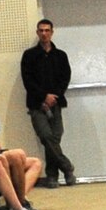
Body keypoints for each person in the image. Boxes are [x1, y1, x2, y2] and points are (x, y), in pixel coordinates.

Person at [21, 18, 76, 185]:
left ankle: (52, 176)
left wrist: (54, 96)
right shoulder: (29, 55)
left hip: (56, 104)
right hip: (37, 105)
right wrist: (44, 97)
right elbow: (28, 80)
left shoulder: (60, 55)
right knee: (46, 136)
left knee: (55, 138)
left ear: (52, 32)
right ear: (37, 33)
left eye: (47, 30)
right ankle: (67, 167)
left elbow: (65, 78)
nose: (44, 33)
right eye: (41, 30)